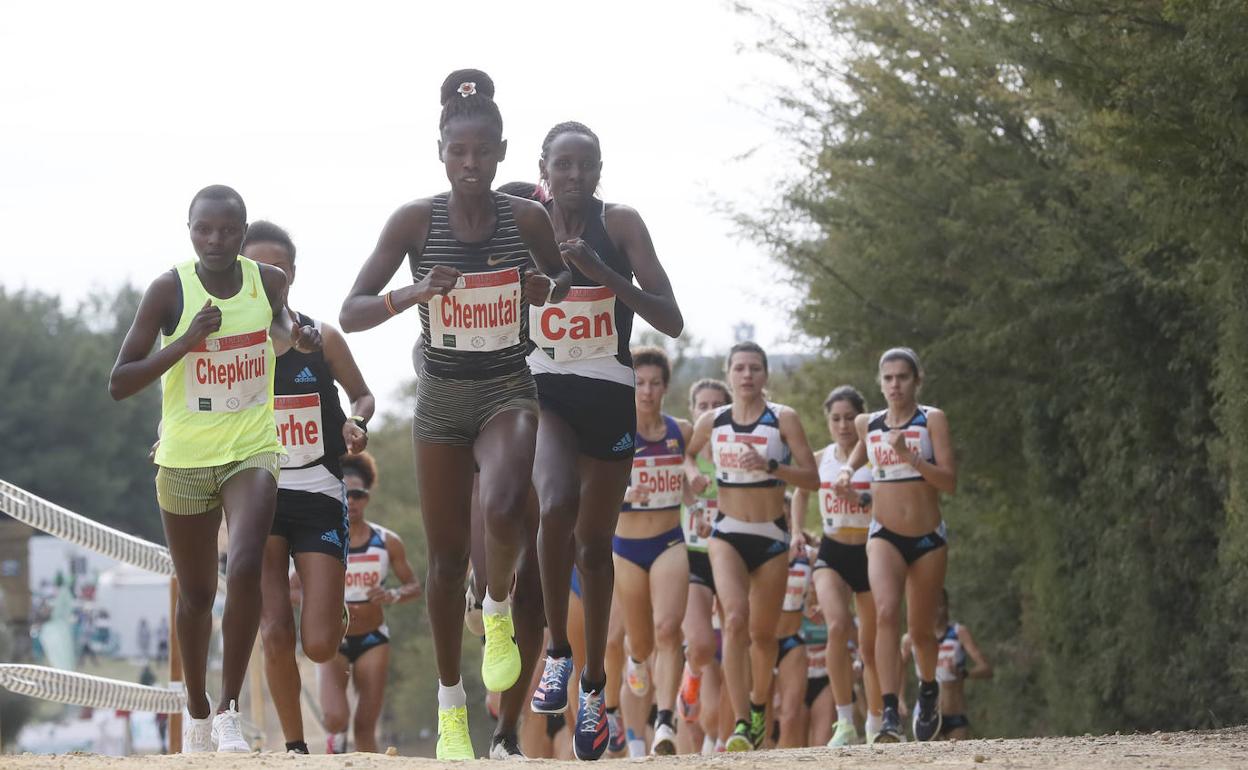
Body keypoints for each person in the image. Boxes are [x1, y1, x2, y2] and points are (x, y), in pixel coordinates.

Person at [339, 70, 571, 760]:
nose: (470, 166)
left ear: (502, 152)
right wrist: (413, 292)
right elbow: (351, 309)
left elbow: (560, 278)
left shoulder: (525, 217)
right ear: (440, 151)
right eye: (457, 153)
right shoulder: (416, 220)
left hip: (507, 385)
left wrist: (542, 287)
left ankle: (494, 605)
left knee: (503, 506)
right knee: (442, 562)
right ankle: (450, 706)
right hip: (440, 397)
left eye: (482, 153)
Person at [109, 184, 321, 753]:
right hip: (183, 458)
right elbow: (120, 381)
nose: (216, 240)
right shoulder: (168, 290)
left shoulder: (266, 282)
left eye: (228, 230)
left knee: (247, 562)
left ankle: (227, 709)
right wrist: (187, 340)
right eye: (205, 229)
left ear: (243, 233)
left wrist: (301, 335)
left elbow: (287, 327)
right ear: (190, 229)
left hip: (253, 446)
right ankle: (198, 707)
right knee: (198, 595)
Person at [526, 120, 683, 761]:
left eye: (584, 166)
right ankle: (557, 657)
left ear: (599, 171)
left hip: (609, 388)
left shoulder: (620, 224)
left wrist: (603, 274)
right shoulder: (523, 218)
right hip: (544, 385)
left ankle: (595, 687)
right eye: (561, 165)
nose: (573, 176)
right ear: (543, 167)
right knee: (555, 503)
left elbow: (670, 318)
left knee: (595, 549)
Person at [242, 221, 376, 755]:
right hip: (258, 496)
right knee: (274, 629)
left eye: (278, 268)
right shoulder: (232, 347)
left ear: (291, 274)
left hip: (319, 494)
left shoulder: (322, 337)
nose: (270, 277)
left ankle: (331, 609)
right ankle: (295, 745)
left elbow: (362, 396)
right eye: (257, 269)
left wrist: (356, 425)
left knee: (319, 646)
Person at [683, 341, 820, 751]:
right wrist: (694, 477)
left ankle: (760, 705)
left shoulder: (784, 419)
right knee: (736, 622)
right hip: (727, 534)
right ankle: (742, 722)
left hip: (772, 537)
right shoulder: (713, 420)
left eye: (754, 368)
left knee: (764, 636)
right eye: (739, 368)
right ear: (729, 373)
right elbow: (688, 456)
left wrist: (771, 466)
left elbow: (812, 479)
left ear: (765, 375)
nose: (747, 375)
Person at [834, 347, 957, 742]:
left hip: (927, 538)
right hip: (883, 533)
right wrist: (848, 472)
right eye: (887, 378)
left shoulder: (931, 419)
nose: (895, 385)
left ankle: (927, 689)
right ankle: (889, 710)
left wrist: (912, 457)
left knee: (920, 631)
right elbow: (860, 449)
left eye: (902, 377)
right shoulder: (868, 422)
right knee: (886, 612)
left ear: (916, 380)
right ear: (880, 382)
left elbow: (949, 482)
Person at [791, 385, 883, 745]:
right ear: (827, 422)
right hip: (832, 551)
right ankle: (844, 721)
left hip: (871, 552)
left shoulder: (876, 460)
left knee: (872, 645)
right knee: (837, 626)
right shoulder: (821, 458)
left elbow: (895, 504)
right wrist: (797, 530)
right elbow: (800, 489)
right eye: (836, 419)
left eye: (849, 418)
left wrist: (861, 497)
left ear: (860, 420)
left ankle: (877, 721)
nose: (843, 426)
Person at [612, 347, 690, 755]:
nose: (646, 391)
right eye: (639, 383)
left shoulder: (681, 431)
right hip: (625, 547)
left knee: (668, 629)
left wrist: (694, 483)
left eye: (654, 383)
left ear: (665, 387)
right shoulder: (614, 434)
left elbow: (695, 471)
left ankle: (664, 720)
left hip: (669, 541)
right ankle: (637, 662)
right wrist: (625, 493)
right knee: (640, 643)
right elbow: (589, 491)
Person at [318, 453, 421, 753]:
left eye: (358, 495)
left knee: (365, 727)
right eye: (345, 494)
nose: (351, 501)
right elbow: (291, 589)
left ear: (367, 497)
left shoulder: (387, 541)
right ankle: (334, 748)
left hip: (373, 638)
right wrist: (327, 600)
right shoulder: (324, 540)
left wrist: (393, 595)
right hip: (333, 640)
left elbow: (414, 586)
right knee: (336, 719)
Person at [678, 380, 731, 745]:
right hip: (691, 559)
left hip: (732, 558)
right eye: (702, 405)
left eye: (716, 406)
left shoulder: (738, 452)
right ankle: (691, 675)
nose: (709, 412)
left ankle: (721, 736)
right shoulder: (680, 454)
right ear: (693, 411)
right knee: (701, 646)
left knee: (732, 653)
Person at [900, 590, 992, 740]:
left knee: (960, 760)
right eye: (932, 606)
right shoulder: (912, 638)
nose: (936, 610)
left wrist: (964, 674)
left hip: (954, 713)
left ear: (947, 606)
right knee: (929, 760)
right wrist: (900, 698)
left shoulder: (959, 633)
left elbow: (986, 669)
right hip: (926, 716)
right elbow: (900, 666)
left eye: (940, 605)